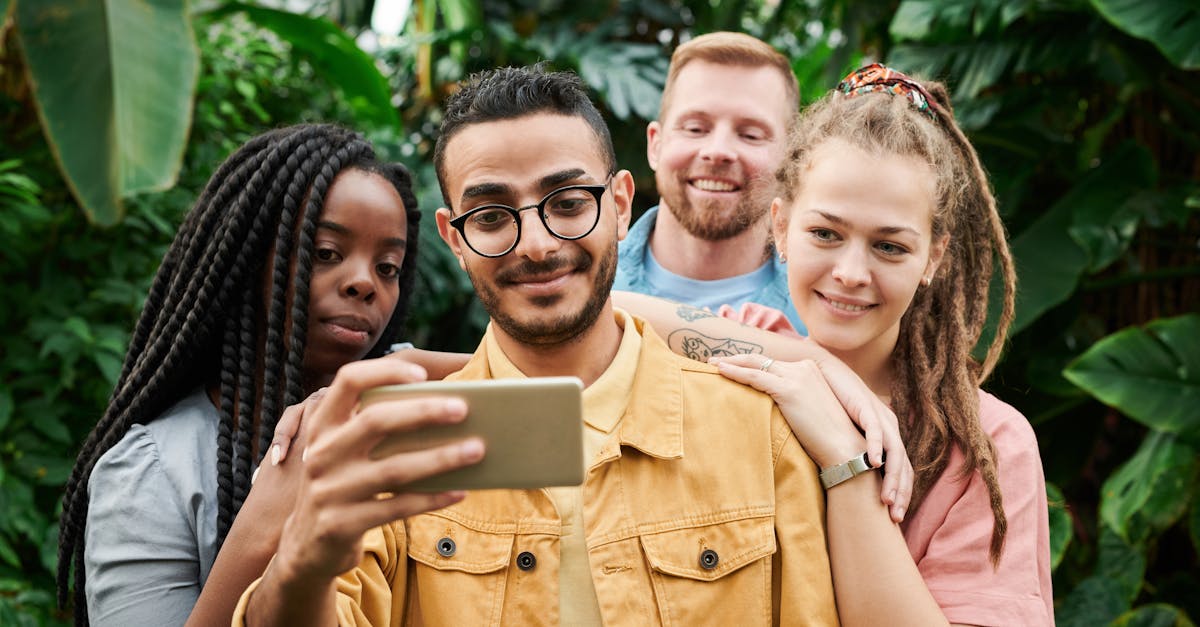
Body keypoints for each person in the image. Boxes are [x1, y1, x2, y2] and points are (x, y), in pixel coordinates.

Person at [238, 65, 839, 626]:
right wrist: (302, 561)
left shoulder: (758, 431)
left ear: (622, 203)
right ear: (454, 237)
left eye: (570, 203)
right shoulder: (397, 444)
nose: (536, 244)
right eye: (492, 215)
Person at [619, 64, 1053, 626]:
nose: (851, 272)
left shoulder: (985, 444)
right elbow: (596, 317)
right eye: (825, 234)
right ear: (780, 228)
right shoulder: (743, 351)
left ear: (934, 258)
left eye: (890, 247)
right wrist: (816, 363)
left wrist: (844, 463)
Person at [55, 124, 468, 627]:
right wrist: (267, 517)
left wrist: (407, 366)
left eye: (388, 267)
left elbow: (548, 377)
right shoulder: (154, 473)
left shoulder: (408, 401)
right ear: (247, 262)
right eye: (325, 254)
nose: (364, 283)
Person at [614, 31, 806, 333]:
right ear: (656, 145)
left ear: (789, 159)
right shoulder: (586, 286)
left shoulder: (822, 312)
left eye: (750, 135)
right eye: (695, 128)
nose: (717, 152)